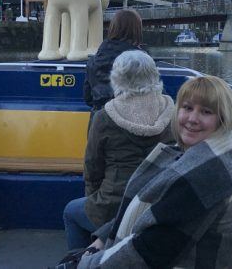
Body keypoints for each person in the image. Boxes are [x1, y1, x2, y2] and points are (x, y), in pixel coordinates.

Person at [78, 75, 232, 268]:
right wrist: (102, 238)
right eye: (187, 108)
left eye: (206, 112)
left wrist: (86, 264)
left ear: (222, 119)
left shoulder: (208, 174)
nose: (192, 119)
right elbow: (144, 212)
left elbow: (150, 251)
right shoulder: (190, 155)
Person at [63, 50, 174, 250]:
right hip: (156, 207)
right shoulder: (171, 112)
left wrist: (94, 200)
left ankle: (84, 260)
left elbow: (93, 168)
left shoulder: (105, 116)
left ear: (117, 77)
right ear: (154, 74)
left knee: (71, 212)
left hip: (112, 206)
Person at [83, 9, 143, 124]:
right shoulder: (141, 62)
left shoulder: (93, 61)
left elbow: (88, 98)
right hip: (129, 129)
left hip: (99, 126)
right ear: (136, 31)